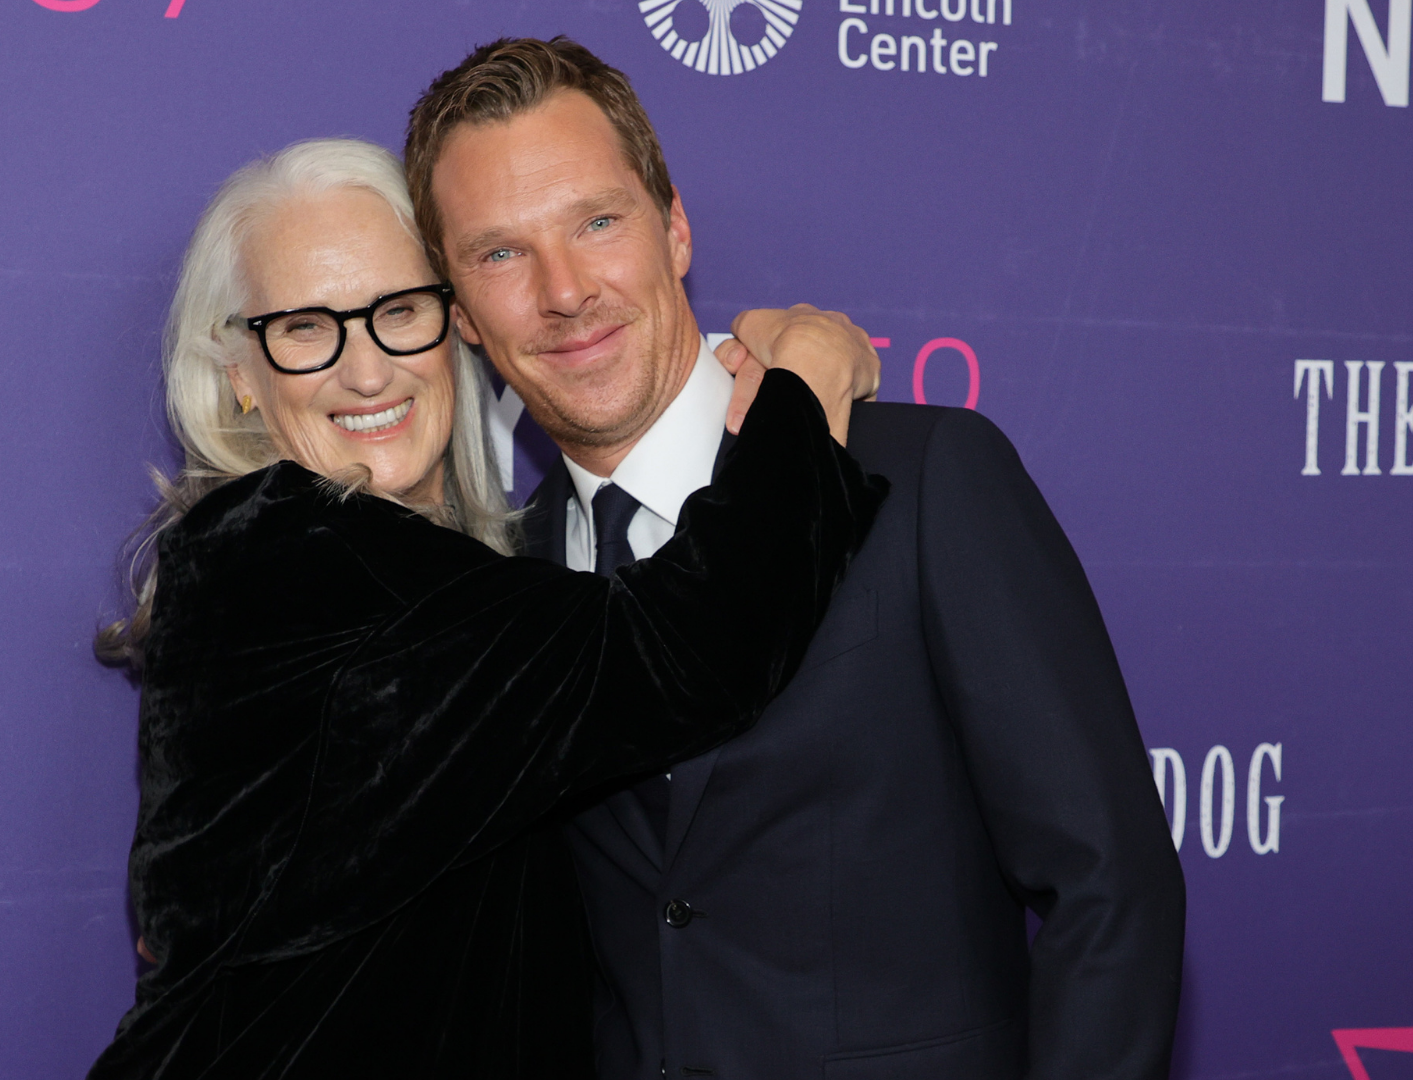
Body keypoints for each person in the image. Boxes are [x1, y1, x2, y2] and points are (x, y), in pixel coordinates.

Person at [405, 37, 1189, 1080]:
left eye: (597, 222)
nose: (564, 291)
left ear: (673, 227)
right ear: (459, 311)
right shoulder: (505, 590)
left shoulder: (921, 482)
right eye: (501, 254)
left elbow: (1111, 887)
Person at [86, 137, 885, 1078]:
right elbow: (689, 647)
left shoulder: (425, 577)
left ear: (453, 324)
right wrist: (804, 388)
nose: (369, 370)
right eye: (305, 327)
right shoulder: (284, 557)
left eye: (398, 310)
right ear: (238, 372)